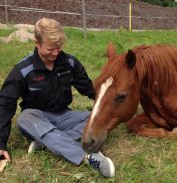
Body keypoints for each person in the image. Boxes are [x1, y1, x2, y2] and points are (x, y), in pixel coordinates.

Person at [0, 18, 115, 177]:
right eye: (50, 49)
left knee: (99, 119)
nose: (55, 53)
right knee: (24, 118)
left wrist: (110, 97)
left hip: (64, 116)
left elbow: (88, 89)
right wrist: (1, 142)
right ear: (37, 43)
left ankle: (46, 142)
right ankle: (87, 156)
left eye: (59, 48)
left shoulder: (70, 63)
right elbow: (5, 104)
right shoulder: (23, 69)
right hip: (36, 119)